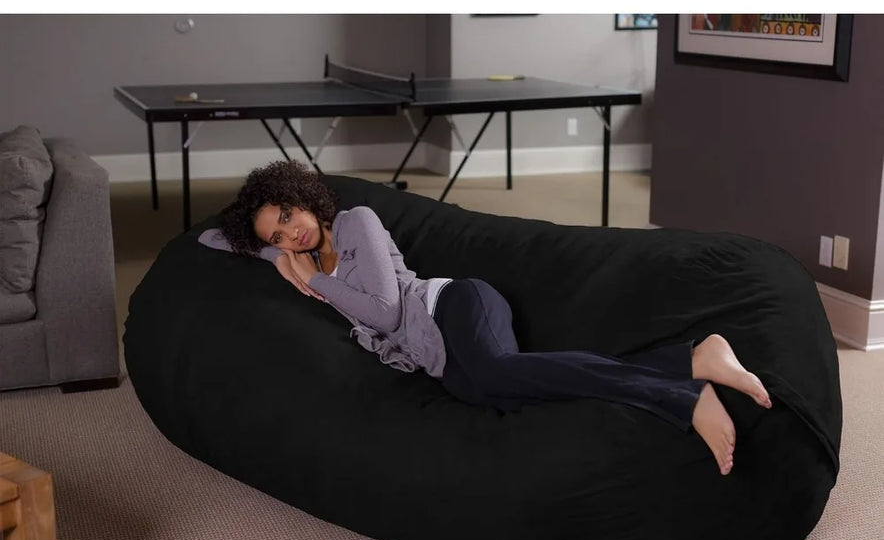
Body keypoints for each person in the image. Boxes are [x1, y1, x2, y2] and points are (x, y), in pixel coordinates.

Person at [203, 160, 772, 477]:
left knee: (498, 373)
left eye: (286, 216)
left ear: (302, 196)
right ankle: (690, 359)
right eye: (277, 234)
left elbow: (389, 309)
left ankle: (686, 397)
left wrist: (311, 277)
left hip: (454, 305)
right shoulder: (295, 256)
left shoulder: (356, 223)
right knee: (499, 392)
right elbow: (210, 238)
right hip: (441, 358)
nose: (289, 233)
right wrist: (272, 254)